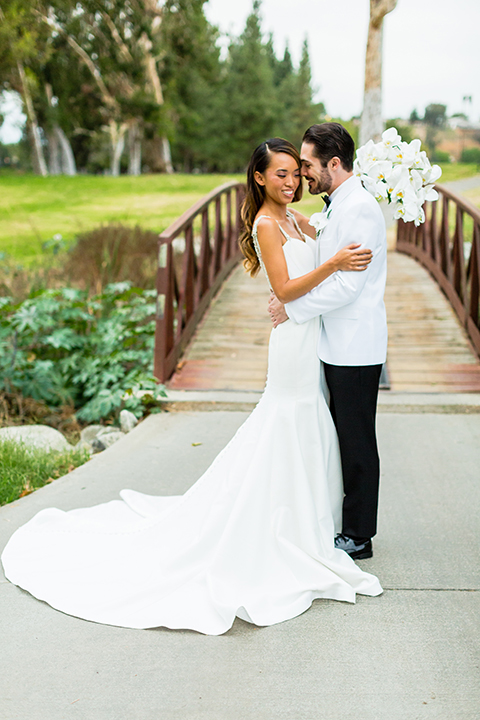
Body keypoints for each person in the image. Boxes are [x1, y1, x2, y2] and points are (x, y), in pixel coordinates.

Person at [1, 138, 382, 636]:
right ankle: (271, 521)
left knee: (311, 420)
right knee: (285, 419)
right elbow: (286, 290)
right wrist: (332, 265)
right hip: (293, 339)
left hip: (315, 337)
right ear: (260, 179)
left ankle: (307, 519)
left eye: (296, 172)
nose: (292, 182)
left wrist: (352, 216)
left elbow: (329, 240)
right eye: (282, 174)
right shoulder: (268, 224)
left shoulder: (299, 220)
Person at [268, 123, 388, 560]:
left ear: (333, 164)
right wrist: (310, 226)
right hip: (338, 342)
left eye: (307, 165)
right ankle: (347, 523)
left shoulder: (358, 208)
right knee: (346, 437)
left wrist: (291, 308)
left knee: (357, 441)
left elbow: (347, 287)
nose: (302, 175)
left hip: (355, 344)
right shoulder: (342, 204)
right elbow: (333, 249)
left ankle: (358, 534)